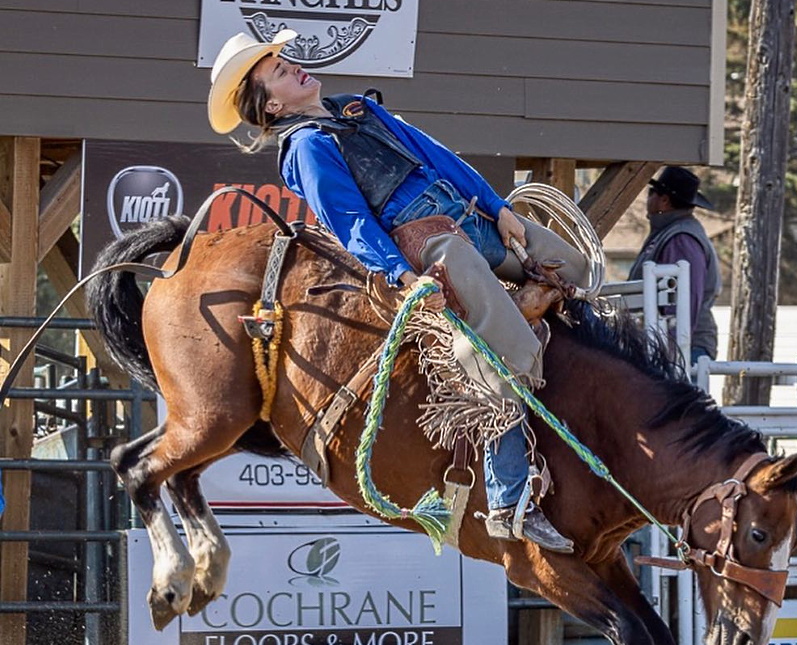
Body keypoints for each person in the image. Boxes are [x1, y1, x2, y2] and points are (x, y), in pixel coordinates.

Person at [207, 30, 587, 553]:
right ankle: (509, 500)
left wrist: (497, 206)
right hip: (428, 243)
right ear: (272, 103)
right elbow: (351, 223)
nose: (292, 67)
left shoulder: (358, 110)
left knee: (574, 265)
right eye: (277, 70)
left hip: (471, 217)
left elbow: (438, 156)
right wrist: (401, 275)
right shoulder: (308, 148)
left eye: (284, 60)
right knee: (509, 352)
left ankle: (556, 367)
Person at [627, 165, 722, 363]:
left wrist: (670, 353)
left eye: (651, 192)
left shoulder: (681, 239)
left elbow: (685, 303)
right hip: (675, 347)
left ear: (664, 200)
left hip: (681, 350)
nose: (648, 198)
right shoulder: (673, 233)